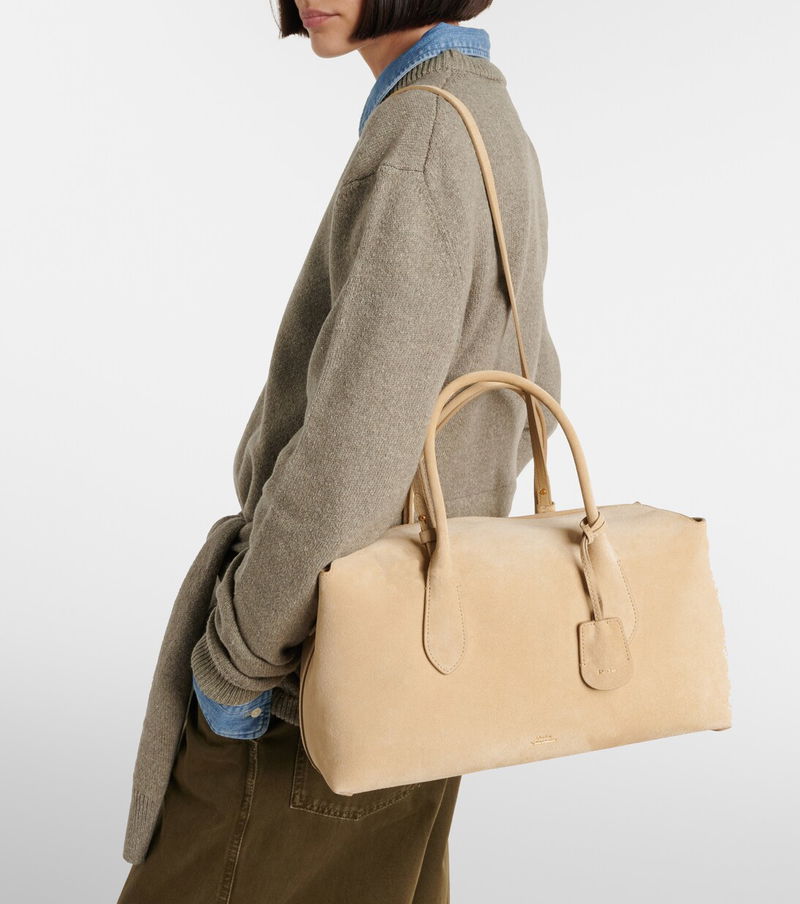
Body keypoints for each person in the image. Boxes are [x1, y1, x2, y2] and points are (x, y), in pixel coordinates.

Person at [117, 2, 561, 901]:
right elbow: (534, 386)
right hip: (426, 670)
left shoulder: (422, 139)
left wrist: (241, 658)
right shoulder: (483, 111)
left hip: (316, 676)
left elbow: (354, 450)